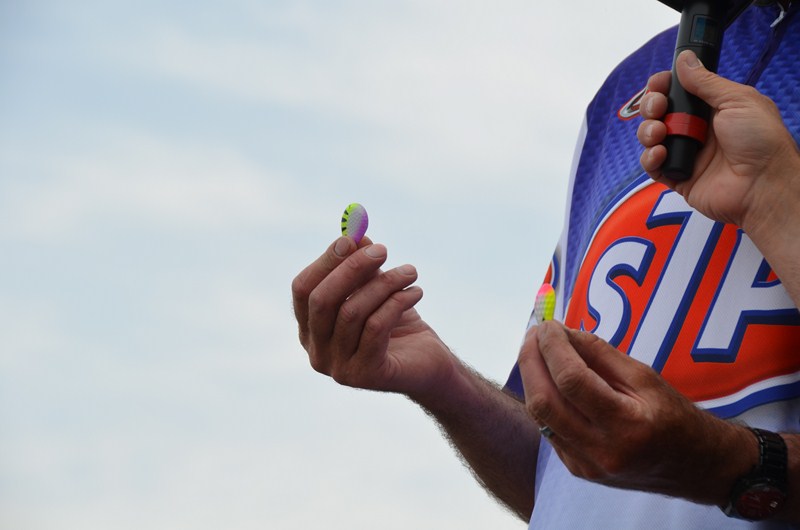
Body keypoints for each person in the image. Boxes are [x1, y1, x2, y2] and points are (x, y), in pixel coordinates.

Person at [291, 1, 800, 527]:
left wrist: (729, 467)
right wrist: (443, 381)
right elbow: (564, 475)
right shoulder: (627, 88)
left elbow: (682, 467)